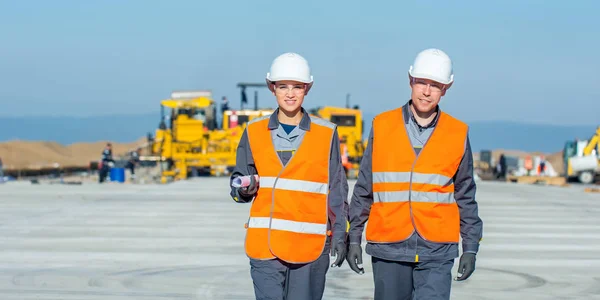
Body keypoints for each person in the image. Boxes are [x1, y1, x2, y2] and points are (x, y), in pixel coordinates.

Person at [345, 48, 484, 299]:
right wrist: (353, 237)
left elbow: (465, 195)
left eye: (435, 85)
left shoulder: (457, 133)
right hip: (389, 246)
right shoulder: (383, 126)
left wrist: (471, 247)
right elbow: (365, 187)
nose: (427, 91)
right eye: (421, 82)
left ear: (446, 88)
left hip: (437, 250)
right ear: (410, 80)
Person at [229, 52, 349, 300]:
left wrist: (340, 234)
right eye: (283, 86)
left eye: (297, 87)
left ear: (308, 88)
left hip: (309, 249)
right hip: (265, 248)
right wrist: (242, 189)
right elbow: (238, 183)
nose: (290, 93)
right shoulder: (253, 132)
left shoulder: (326, 134)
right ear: (272, 88)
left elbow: (336, 190)